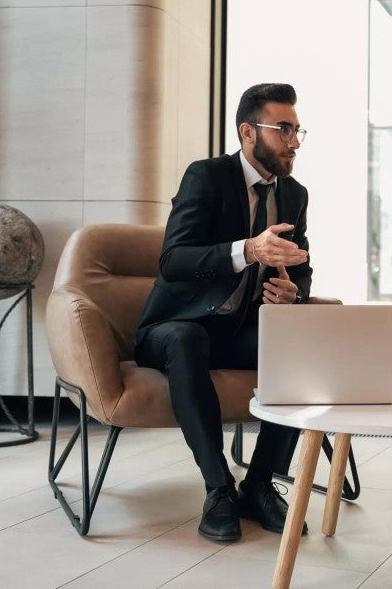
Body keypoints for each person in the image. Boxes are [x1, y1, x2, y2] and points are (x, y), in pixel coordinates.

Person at [134, 83, 313, 543]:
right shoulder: (206, 177)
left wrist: (293, 292)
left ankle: (259, 484)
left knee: (297, 346)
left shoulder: (294, 195)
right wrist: (247, 250)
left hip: (236, 329)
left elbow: (302, 265)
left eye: (297, 130)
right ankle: (218, 489)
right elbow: (172, 261)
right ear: (248, 132)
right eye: (284, 129)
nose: (294, 141)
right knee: (188, 339)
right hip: (174, 327)